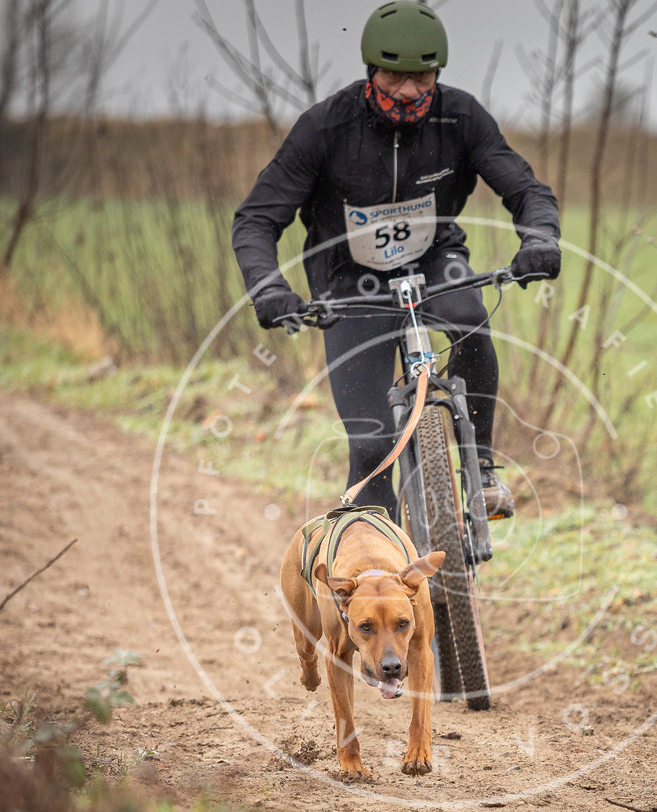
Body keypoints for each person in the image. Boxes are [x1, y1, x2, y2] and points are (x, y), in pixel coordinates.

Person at [233, 0, 561, 520]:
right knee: (370, 444)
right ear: (371, 70)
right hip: (348, 277)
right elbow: (255, 219)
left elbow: (527, 190)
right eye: (395, 76)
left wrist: (540, 237)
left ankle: (482, 470)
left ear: (438, 72)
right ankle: (379, 575)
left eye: (422, 76)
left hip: (432, 260)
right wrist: (269, 288)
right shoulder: (324, 128)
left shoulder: (461, 117)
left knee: (471, 321)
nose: (408, 90)